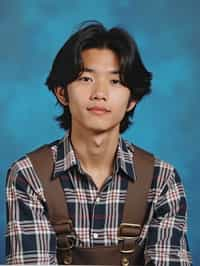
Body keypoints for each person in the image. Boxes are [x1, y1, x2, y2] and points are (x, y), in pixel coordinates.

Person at [6, 21, 192, 265]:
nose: (100, 93)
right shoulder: (28, 176)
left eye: (115, 81)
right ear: (62, 93)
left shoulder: (162, 180)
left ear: (132, 99)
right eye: (85, 78)